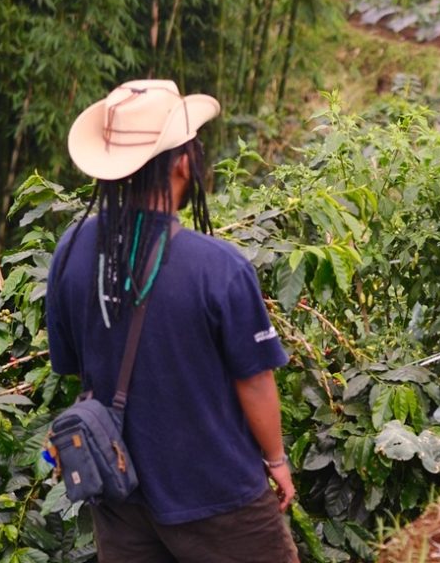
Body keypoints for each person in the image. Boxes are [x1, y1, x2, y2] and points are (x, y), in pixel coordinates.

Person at [46, 80, 299, 562]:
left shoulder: (72, 251)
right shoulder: (217, 267)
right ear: (183, 163)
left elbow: (73, 363)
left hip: (120, 492)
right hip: (217, 496)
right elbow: (255, 381)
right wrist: (276, 461)